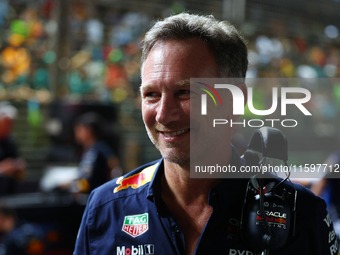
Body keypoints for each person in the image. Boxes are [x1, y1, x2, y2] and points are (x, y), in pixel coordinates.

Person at [74, 13, 337, 254]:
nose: (164, 115)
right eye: (151, 95)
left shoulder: (302, 215)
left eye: (185, 92)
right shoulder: (105, 209)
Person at [68, 112, 120, 193]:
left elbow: (85, 181)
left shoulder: (93, 151)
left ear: (88, 131)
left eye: (79, 129)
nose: (76, 133)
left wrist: (68, 186)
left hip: (93, 196)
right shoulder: (99, 148)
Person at [0, 102, 26, 196]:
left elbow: (21, 176)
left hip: (9, 196)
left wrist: (19, 168)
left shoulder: (10, 142)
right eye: (6, 122)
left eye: (11, 123)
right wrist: (3, 168)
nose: (9, 126)